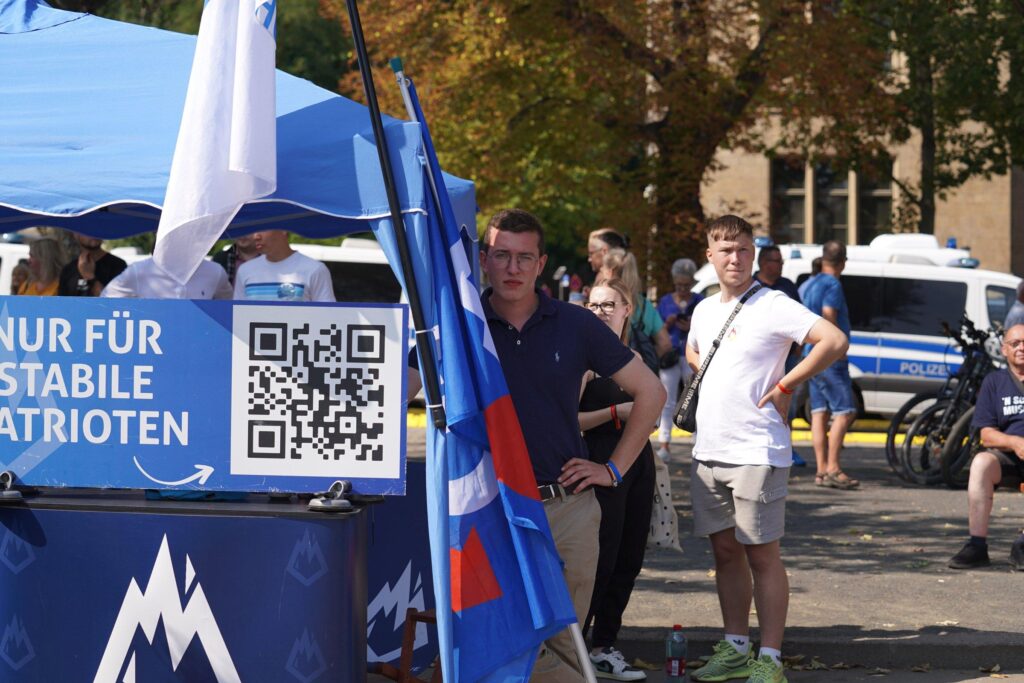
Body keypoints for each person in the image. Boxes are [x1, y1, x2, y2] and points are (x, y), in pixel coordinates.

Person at [476, 209, 665, 682]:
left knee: (564, 645)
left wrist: (614, 469)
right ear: (484, 261)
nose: (513, 268)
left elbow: (652, 393)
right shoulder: (461, 324)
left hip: (567, 510)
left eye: (524, 257)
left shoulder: (576, 325)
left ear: (541, 265)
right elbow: (403, 386)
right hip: (490, 507)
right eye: (502, 255)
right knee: (500, 642)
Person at [687, 215, 847, 683]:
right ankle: (736, 647)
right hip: (709, 449)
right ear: (710, 256)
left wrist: (784, 384)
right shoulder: (703, 310)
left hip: (758, 450)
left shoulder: (774, 303)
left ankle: (770, 658)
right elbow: (696, 353)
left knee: (762, 555)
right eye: (724, 250)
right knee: (724, 552)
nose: (734, 258)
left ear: (752, 255)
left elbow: (833, 341)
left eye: (742, 249)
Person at [579, 278, 656, 682]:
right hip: (599, 461)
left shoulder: (634, 358)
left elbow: (653, 410)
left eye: (609, 305)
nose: (600, 312)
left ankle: (604, 646)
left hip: (638, 463)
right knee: (600, 560)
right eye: (593, 305)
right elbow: (567, 420)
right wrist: (615, 413)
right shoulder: (584, 360)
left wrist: (635, 417)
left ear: (628, 309)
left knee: (629, 559)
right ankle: (575, 647)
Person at [947, 323, 1024, 571]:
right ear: (1004, 350)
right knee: (981, 463)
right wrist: (1015, 442)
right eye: (1015, 344)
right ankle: (977, 545)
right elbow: (986, 434)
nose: (1021, 348)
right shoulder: (994, 382)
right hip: (1008, 458)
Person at [798, 241, 859, 489]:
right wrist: (835, 347)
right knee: (845, 411)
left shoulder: (807, 284)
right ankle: (833, 468)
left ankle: (821, 471)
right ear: (843, 262)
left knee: (819, 413)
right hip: (828, 357)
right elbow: (828, 314)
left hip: (810, 356)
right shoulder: (832, 284)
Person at [754, 246, 807, 467]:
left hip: (788, 358)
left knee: (787, 403)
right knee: (760, 401)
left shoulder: (787, 286)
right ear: (764, 263)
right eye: (776, 261)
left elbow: (801, 318)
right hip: (761, 358)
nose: (781, 265)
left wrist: (799, 346)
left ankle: (787, 447)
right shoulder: (751, 286)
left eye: (781, 261)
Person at [654, 258, 703, 462]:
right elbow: (656, 330)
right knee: (667, 399)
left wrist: (692, 326)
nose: (682, 289)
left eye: (686, 285)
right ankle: (664, 443)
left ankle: (699, 440)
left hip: (692, 353)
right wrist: (669, 323)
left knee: (696, 397)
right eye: (679, 286)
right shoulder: (665, 301)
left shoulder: (699, 300)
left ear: (692, 283)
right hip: (670, 354)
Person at [599, 248, 673, 369]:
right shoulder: (645, 305)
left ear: (610, 272)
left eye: (602, 268)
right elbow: (665, 344)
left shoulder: (602, 305)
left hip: (610, 375)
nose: (600, 271)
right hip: (640, 377)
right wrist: (646, 362)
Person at [234, 230, 335, 302]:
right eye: (254, 230)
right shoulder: (245, 270)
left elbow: (327, 316)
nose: (256, 236)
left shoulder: (315, 269)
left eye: (263, 229)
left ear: (283, 230)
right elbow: (236, 316)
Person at [101, 257, 233, 299]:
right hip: (153, 352)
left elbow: (229, 309)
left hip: (198, 351)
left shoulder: (215, 271)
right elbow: (105, 300)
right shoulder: (139, 270)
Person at [58, 232, 127, 296]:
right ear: (76, 234)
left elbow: (115, 302)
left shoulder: (118, 265)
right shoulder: (68, 270)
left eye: (98, 229)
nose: (93, 233)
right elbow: (62, 305)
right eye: (86, 229)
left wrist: (90, 277)